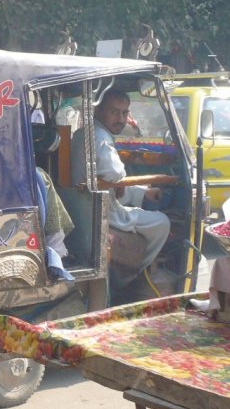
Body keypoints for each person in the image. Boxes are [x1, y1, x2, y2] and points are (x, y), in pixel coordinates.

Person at [71, 88, 177, 282]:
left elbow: (111, 182)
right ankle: (128, 278)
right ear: (98, 111)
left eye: (124, 112)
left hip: (89, 206)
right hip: (102, 214)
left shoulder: (83, 133)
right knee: (162, 222)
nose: (120, 119)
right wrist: (128, 185)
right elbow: (115, 174)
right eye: (114, 112)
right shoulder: (100, 137)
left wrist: (143, 193)